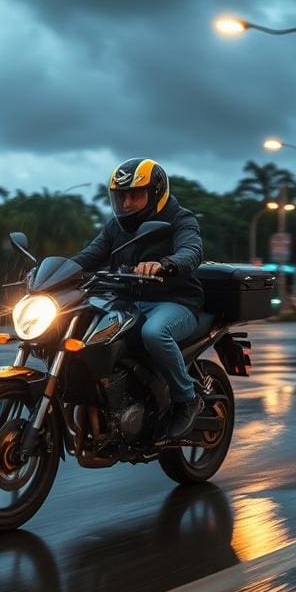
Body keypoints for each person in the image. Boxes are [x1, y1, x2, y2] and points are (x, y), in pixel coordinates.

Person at [71, 157, 205, 439]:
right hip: (128, 301)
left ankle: (187, 397)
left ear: (155, 193)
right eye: (122, 196)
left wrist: (166, 264)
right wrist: (54, 271)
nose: (127, 203)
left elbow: (191, 251)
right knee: (84, 330)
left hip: (175, 301)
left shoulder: (180, 218)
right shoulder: (115, 227)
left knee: (154, 333)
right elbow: (90, 256)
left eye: (135, 195)